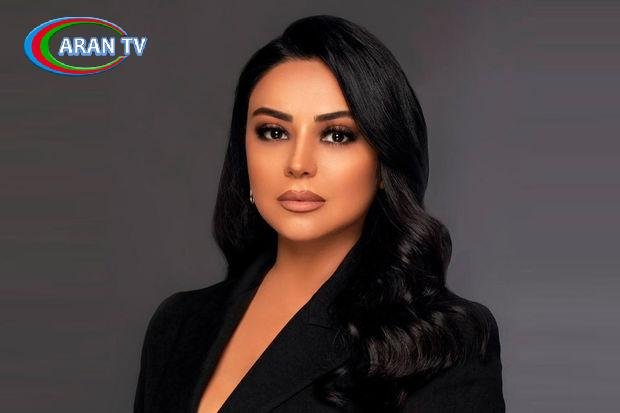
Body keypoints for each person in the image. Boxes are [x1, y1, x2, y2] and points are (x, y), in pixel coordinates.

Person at [133, 14, 505, 413]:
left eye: (337, 135)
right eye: (274, 132)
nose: (298, 164)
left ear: (383, 161)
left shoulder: (447, 340)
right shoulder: (178, 324)